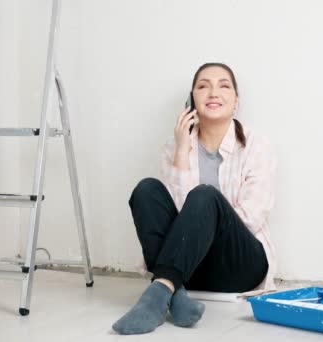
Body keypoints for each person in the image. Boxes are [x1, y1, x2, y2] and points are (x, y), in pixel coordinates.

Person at [112, 63, 277, 335]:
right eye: (203, 86)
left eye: (223, 86)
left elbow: (251, 219)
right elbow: (173, 224)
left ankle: (157, 294)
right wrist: (181, 150)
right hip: (192, 268)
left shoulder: (257, 146)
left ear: (236, 101)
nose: (213, 92)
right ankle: (175, 295)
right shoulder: (173, 147)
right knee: (146, 190)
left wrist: (211, 216)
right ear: (191, 100)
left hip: (240, 265)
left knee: (204, 196)